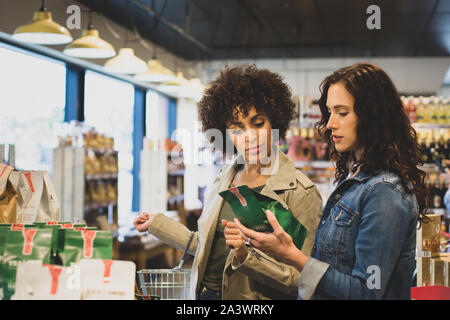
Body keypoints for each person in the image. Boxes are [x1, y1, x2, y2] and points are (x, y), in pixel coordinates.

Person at [227, 63, 429, 300]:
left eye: (342, 113)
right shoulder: (354, 179)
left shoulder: (384, 191)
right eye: (330, 112)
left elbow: (367, 293)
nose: (331, 123)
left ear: (372, 116)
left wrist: (292, 255)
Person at [134, 64, 322, 300]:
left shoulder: (300, 192)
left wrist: (246, 256)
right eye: (237, 128)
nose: (249, 136)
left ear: (274, 121)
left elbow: (301, 281)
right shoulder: (226, 176)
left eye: (258, 122)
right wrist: (157, 225)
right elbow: (207, 246)